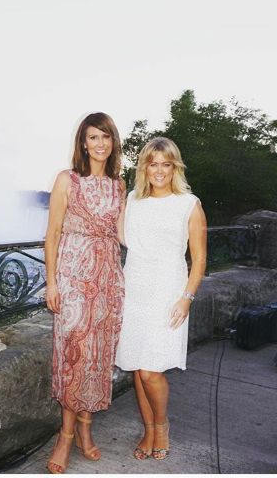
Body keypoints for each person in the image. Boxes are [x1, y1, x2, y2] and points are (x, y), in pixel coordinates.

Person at [115, 136, 207, 460]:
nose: (158, 170)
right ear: (144, 167)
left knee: (151, 371)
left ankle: (162, 425)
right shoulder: (133, 200)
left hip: (168, 291)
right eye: (152, 164)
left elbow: (199, 258)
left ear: (174, 167)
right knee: (138, 367)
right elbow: (120, 236)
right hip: (134, 289)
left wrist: (186, 298)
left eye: (165, 164)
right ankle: (148, 430)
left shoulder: (189, 204)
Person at [45, 112, 126, 473]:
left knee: (97, 356)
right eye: (93, 137)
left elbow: (123, 235)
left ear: (113, 142)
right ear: (83, 142)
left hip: (107, 279)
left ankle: (86, 429)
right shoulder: (68, 179)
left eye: (105, 137)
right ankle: (65, 436)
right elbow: (52, 234)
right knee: (72, 355)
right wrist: (51, 282)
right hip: (73, 278)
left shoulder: (119, 184)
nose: (100, 144)